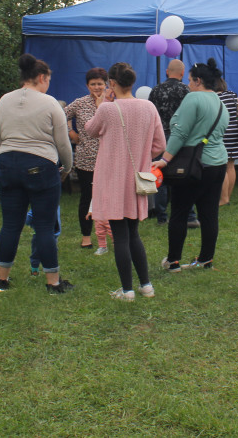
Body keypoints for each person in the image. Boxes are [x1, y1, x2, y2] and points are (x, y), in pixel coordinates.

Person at [0, 53, 74, 294]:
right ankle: (53, 282)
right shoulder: (49, 103)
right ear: (41, 77)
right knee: (45, 226)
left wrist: (6, 159)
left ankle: (3, 280)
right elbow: (63, 144)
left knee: (10, 225)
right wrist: (67, 168)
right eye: (48, 79)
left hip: (7, 162)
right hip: (41, 166)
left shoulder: (3, 101)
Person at [84, 62, 166, 301]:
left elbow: (89, 130)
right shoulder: (148, 107)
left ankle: (128, 290)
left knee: (120, 235)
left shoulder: (108, 109)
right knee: (133, 233)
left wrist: (102, 104)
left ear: (112, 83)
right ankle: (146, 286)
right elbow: (160, 145)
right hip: (138, 179)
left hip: (111, 178)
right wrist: (142, 158)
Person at [155, 58, 229, 272]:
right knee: (209, 213)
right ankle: (206, 259)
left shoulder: (193, 98)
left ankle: (173, 261)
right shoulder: (220, 101)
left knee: (179, 212)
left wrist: (165, 159)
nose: (187, 84)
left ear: (198, 81)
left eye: (189, 80)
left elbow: (180, 132)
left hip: (194, 164)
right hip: (218, 163)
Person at [64, 67, 108, 249]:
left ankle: (108, 235)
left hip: (109, 158)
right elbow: (60, 115)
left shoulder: (113, 102)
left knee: (108, 197)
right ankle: (86, 236)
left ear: (106, 84)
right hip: (86, 159)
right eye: (93, 84)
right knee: (87, 197)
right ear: (87, 85)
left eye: (100, 83)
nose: (97, 87)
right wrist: (70, 131)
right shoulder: (80, 103)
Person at [149, 59, 190, 226]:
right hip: (180, 138)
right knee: (182, 175)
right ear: (182, 73)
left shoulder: (156, 90)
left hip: (159, 137)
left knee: (160, 177)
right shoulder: (186, 90)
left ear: (167, 71)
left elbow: (151, 115)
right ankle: (186, 214)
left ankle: (161, 216)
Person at [216, 76, 238, 206]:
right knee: (231, 166)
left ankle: (223, 197)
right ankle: (228, 196)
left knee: (222, 166)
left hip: (222, 134)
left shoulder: (214, 98)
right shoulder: (233, 95)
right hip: (234, 134)